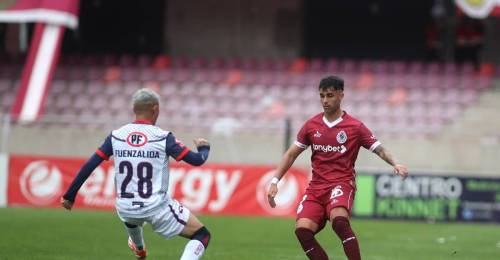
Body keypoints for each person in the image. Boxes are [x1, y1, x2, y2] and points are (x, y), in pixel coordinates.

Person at [267, 76, 408, 260]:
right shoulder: (311, 126)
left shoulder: (355, 127)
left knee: (339, 222)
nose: (325, 100)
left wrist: (395, 163)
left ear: (341, 95)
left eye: (330, 95)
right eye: (322, 96)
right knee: (302, 231)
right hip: (316, 189)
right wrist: (275, 181)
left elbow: (379, 149)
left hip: (341, 184)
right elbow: (291, 154)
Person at [61, 88, 211, 260]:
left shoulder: (116, 136)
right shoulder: (163, 137)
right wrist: (204, 148)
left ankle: (139, 248)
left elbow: (90, 165)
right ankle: (140, 246)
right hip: (156, 207)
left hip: (125, 207)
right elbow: (198, 160)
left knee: (132, 216)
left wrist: (69, 195)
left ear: (134, 109)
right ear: (155, 109)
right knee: (202, 235)